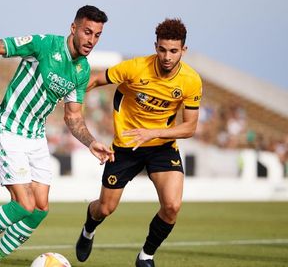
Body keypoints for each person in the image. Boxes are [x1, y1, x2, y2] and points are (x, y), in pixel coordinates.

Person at [0, 5, 113, 267]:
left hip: (36, 137)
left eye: (97, 35)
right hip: (9, 129)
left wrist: (91, 142)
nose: (91, 40)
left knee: (39, 210)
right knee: (24, 205)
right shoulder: (43, 45)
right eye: (87, 32)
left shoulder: (82, 70)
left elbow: (73, 117)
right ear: (73, 28)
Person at [75, 18, 202, 267]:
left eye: (174, 51)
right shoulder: (135, 67)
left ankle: (146, 256)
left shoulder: (191, 80)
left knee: (172, 206)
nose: (167, 56)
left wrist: (151, 132)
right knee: (105, 208)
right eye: (162, 49)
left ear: (183, 51)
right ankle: (89, 229)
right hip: (125, 148)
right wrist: (69, 97)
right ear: (156, 46)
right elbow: (96, 81)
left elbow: (190, 128)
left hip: (162, 148)